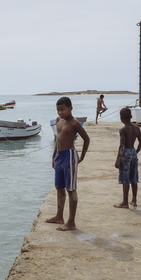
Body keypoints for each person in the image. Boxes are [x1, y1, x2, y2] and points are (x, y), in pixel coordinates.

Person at [46, 96, 90, 231]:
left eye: (63, 109)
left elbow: (86, 139)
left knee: (71, 189)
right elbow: (58, 140)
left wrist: (81, 156)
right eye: (58, 110)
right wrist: (54, 156)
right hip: (59, 156)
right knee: (59, 187)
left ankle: (71, 222)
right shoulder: (59, 120)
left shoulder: (74, 123)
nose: (60, 113)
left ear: (70, 108)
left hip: (69, 156)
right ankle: (59, 216)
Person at [114, 107, 141, 208]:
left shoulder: (123, 130)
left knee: (125, 178)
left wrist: (118, 159)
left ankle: (125, 202)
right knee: (134, 177)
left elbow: (122, 145)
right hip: (133, 152)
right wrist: (136, 152)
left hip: (126, 153)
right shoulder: (136, 128)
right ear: (131, 117)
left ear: (121, 118)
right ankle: (134, 200)